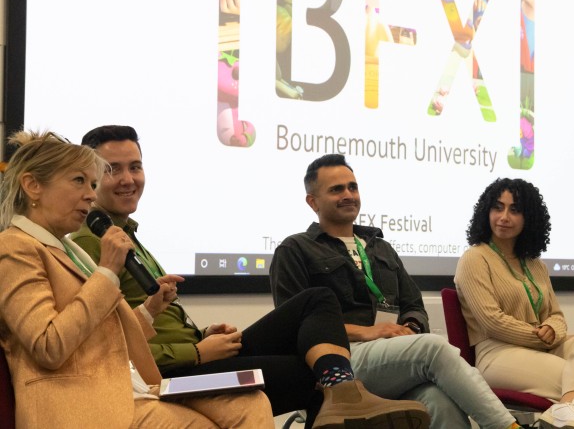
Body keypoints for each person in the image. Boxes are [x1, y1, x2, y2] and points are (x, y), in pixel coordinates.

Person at [71, 125, 429, 429]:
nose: (128, 179)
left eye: (135, 166)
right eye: (112, 169)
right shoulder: (92, 243)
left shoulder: (126, 234)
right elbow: (106, 344)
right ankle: (344, 394)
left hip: (195, 354)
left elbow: (146, 318)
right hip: (171, 374)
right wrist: (195, 351)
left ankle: (344, 391)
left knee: (316, 301)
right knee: (308, 374)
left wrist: (203, 334)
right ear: (89, 177)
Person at [0, 130, 271, 428]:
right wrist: (106, 272)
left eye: (92, 184)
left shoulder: (69, 249)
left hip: (130, 387)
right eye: (79, 181)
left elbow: (102, 333)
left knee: (250, 400)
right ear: (32, 185)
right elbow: (48, 346)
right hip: (79, 403)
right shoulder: (14, 247)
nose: (91, 194)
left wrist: (149, 310)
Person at [270, 153, 524, 429]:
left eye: (352, 187)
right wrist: (368, 331)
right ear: (312, 201)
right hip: (338, 361)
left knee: (439, 400)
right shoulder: (295, 250)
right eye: (336, 189)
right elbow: (295, 328)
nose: (348, 195)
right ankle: (507, 427)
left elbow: (413, 304)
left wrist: (410, 329)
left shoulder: (381, 248)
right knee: (434, 349)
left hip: (392, 356)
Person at [455, 178, 574, 429]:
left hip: (543, 348)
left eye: (514, 210)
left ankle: (566, 410)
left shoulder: (535, 264)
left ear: (529, 218)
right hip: (497, 354)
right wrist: (539, 335)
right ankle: (568, 408)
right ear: (486, 212)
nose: (504, 216)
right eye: (498, 207)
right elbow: (491, 321)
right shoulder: (474, 258)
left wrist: (553, 329)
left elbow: (556, 315)